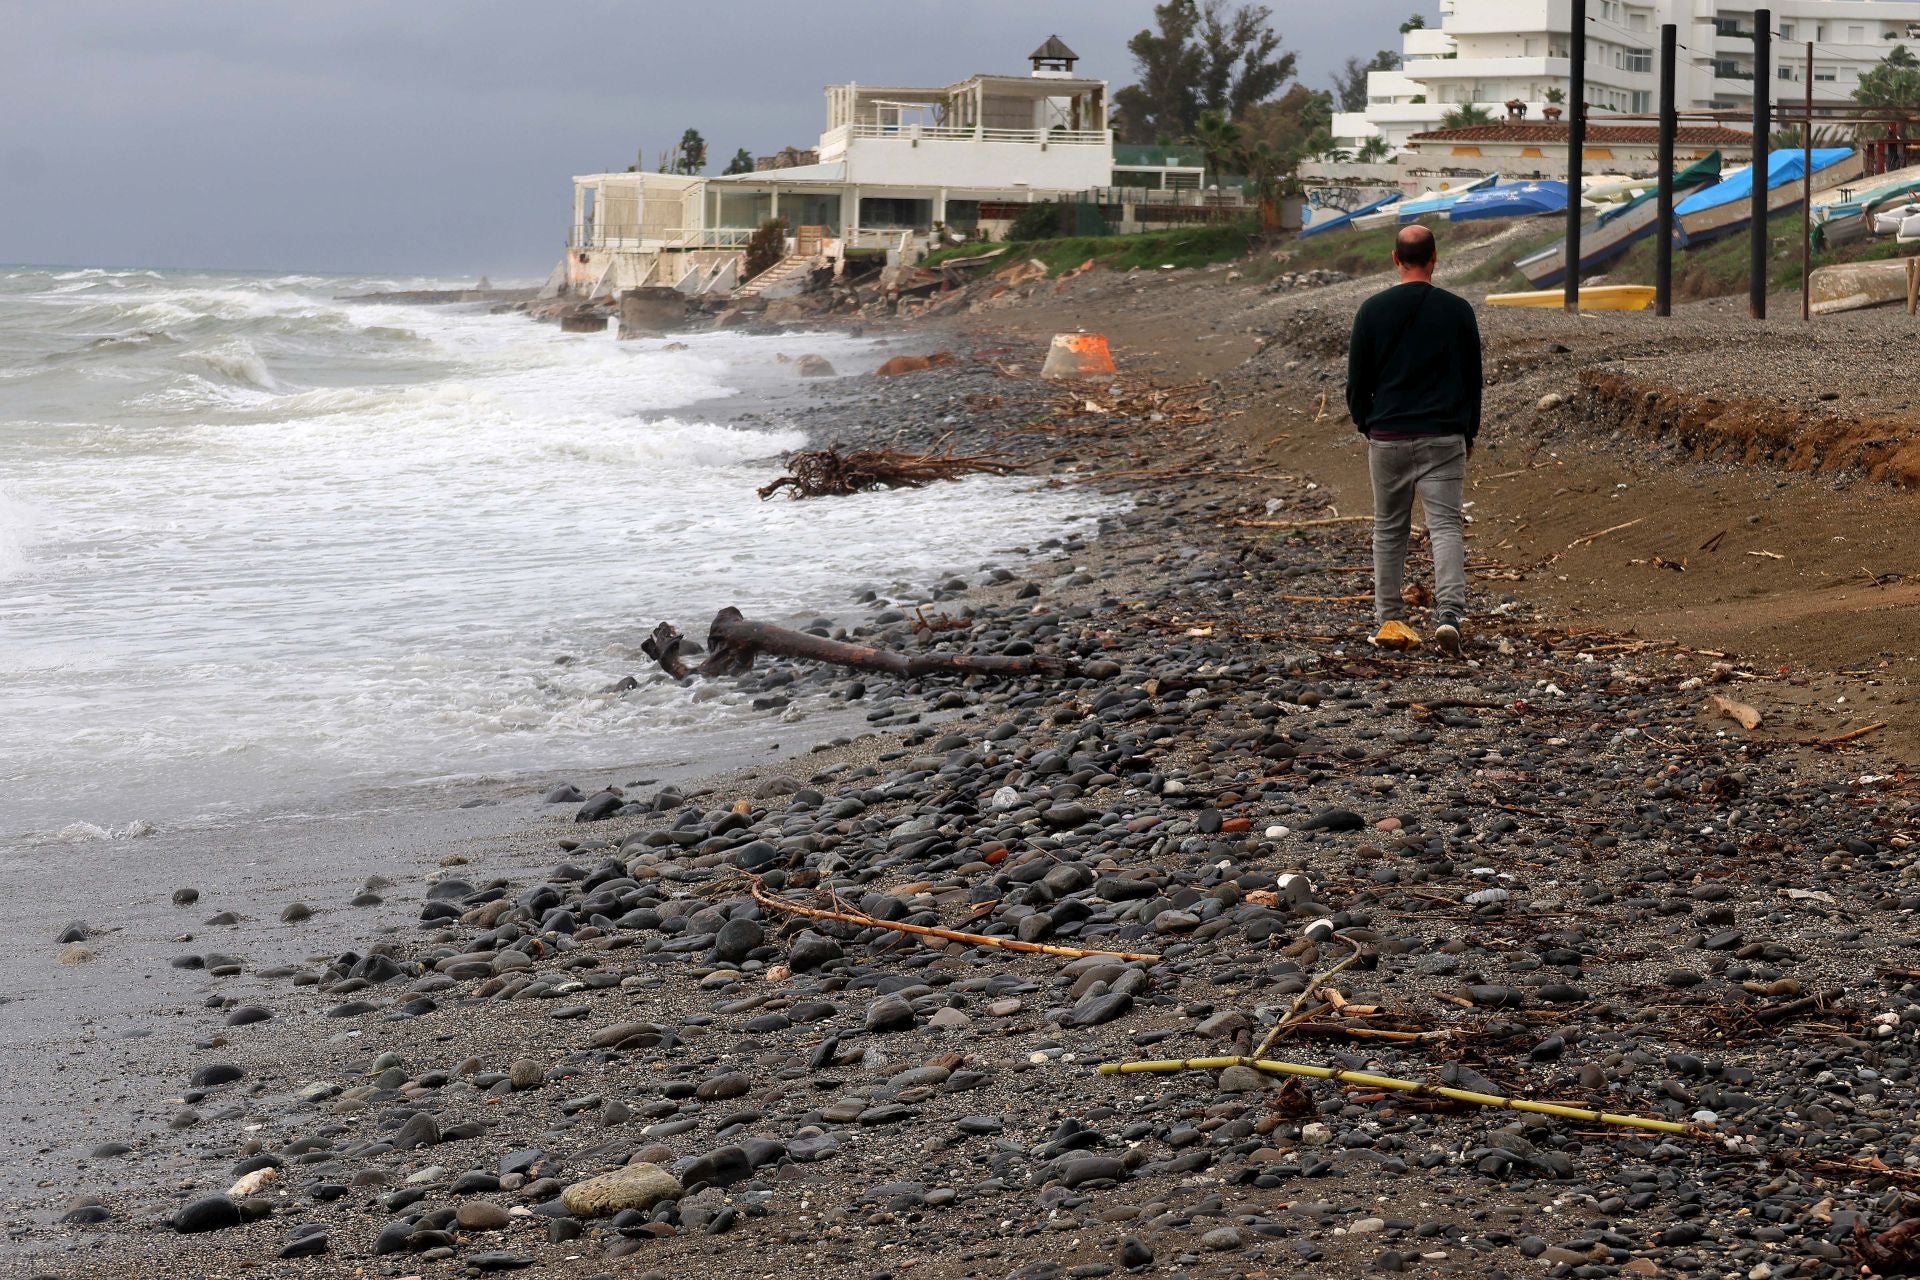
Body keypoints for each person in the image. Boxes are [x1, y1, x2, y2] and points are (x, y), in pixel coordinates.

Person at [1343, 223, 1482, 657]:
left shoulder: (1372, 310)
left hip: (1388, 435)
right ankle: (1450, 616)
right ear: (1435, 258)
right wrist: (1468, 430)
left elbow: (1356, 382)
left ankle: (1389, 617)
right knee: (1445, 525)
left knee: (1389, 528)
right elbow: (1472, 380)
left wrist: (1368, 424)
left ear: (1395, 258)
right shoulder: (1457, 311)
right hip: (1443, 434)